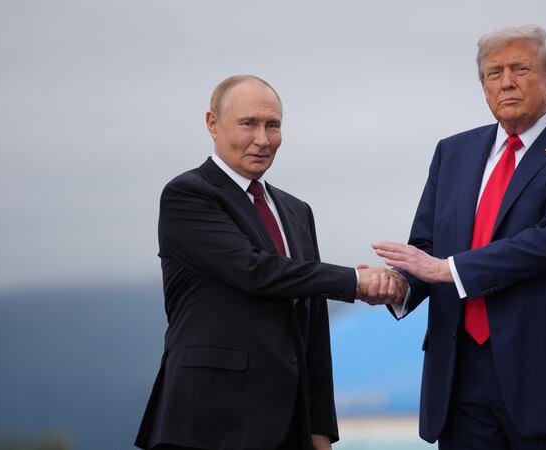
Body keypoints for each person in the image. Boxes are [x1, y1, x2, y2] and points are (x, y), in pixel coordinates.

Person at [373, 25, 546, 449]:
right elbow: (427, 247)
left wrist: (446, 269)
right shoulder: (452, 151)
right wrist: (399, 285)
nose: (506, 82)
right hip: (460, 375)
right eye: (493, 73)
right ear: (483, 87)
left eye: (520, 68)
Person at [135, 75, 406, 450]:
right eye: (248, 123)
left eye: (272, 125)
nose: (263, 139)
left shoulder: (296, 210)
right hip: (206, 421)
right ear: (212, 123)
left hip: (289, 426)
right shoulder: (188, 194)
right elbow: (255, 272)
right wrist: (355, 281)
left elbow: (312, 324)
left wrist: (321, 428)